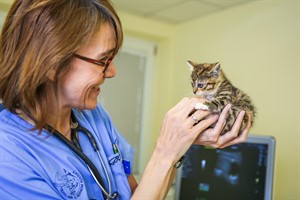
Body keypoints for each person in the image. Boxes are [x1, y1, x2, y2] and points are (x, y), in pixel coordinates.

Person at [0, 0, 251, 199]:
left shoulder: (94, 117)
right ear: (50, 63)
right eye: (102, 60)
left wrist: (180, 145)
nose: (112, 72)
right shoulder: (8, 155)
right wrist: (164, 152)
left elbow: (137, 193)